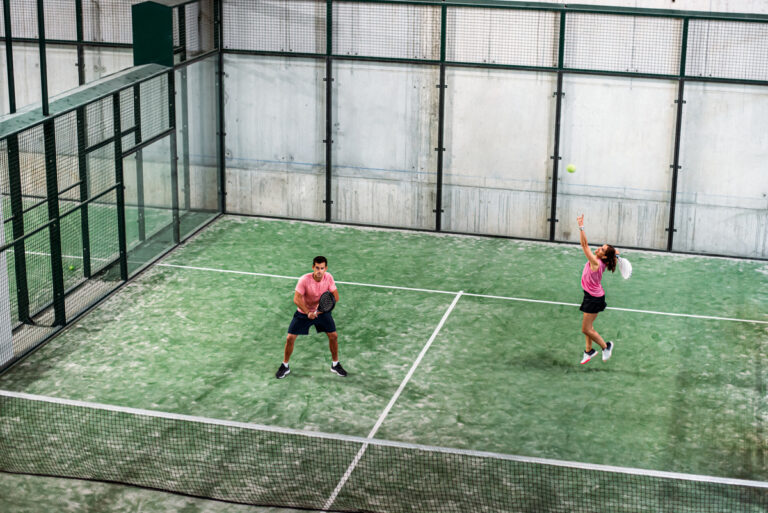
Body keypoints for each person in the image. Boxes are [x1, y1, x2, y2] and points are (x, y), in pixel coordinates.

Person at [275, 256, 346, 379]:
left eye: (322, 268)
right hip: (303, 313)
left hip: (321, 312)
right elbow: (296, 299)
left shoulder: (328, 278)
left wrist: (320, 311)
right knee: (290, 338)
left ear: (326, 268)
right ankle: (285, 365)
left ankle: (335, 364)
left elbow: (335, 297)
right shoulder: (304, 280)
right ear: (313, 267)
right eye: (317, 268)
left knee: (333, 336)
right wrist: (308, 312)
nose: (319, 271)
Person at [577, 215, 617, 364]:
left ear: (604, 256)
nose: (598, 248)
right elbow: (614, 252)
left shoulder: (595, 262)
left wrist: (581, 227)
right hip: (592, 295)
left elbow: (584, 245)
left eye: (602, 249)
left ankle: (606, 346)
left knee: (586, 329)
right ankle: (588, 351)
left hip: (593, 299)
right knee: (589, 326)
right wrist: (614, 253)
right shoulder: (605, 260)